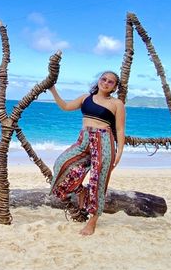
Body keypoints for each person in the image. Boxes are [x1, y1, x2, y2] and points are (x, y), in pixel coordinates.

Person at [48, 71, 126, 235]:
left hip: (104, 141)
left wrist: (119, 152)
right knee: (62, 163)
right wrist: (53, 89)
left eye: (110, 82)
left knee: (99, 181)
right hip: (84, 139)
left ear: (114, 87)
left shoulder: (117, 104)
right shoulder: (85, 98)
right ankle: (79, 190)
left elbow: (119, 129)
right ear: (98, 80)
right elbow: (65, 106)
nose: (106, 83)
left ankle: (92, 222)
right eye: (103, 79)